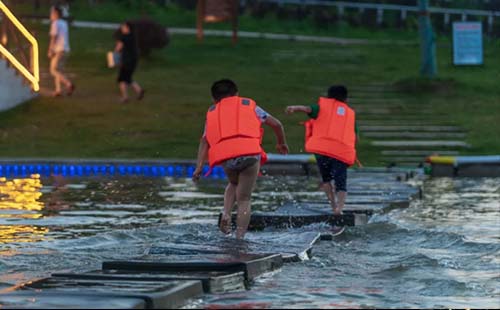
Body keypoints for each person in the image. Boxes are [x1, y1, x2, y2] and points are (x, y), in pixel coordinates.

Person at [193, 79, 289, 239]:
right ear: (236, 94)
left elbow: (205, 141)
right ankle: (239, 238)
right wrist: (281, 143)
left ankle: (226, 213)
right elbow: (277, 124)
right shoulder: (250, 106)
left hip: (227, 156)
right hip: (250, 153)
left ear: (214, 99)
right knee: (244, 198)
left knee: (233, 183)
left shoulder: (212, 113)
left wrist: (199, 167)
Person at [286, 85, 359, 216]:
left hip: (322, 152)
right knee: (341, 182)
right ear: (346, 98)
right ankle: (339, 209)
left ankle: (333, 206)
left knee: (326, 180)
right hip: (340, 153)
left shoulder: (321, 107)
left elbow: (307, 109)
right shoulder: (350, 114)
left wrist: (294, 108)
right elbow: (356, 137)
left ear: (328, 96)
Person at [115, 22, 145, 103]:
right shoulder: (133, 37)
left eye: (123, 27)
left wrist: (115, 60)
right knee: (127, 78)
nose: (122, 28)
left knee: (121, 79)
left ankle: (125, 97)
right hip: (134, 60)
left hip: (126, 61)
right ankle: (139, 90)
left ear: (128, 28)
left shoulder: (124, 37)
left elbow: (117, 49)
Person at [48, 6, 74, 97]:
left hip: (59, 50)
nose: (50, 15)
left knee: (53, 70)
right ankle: (58, 90)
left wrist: (50, 50)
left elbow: (53, 37)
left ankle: (68, 84)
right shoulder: (64, 23)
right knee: (59, 71)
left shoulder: (55, 24)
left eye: (51, 13)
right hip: (66, 49)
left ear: (55, 14)